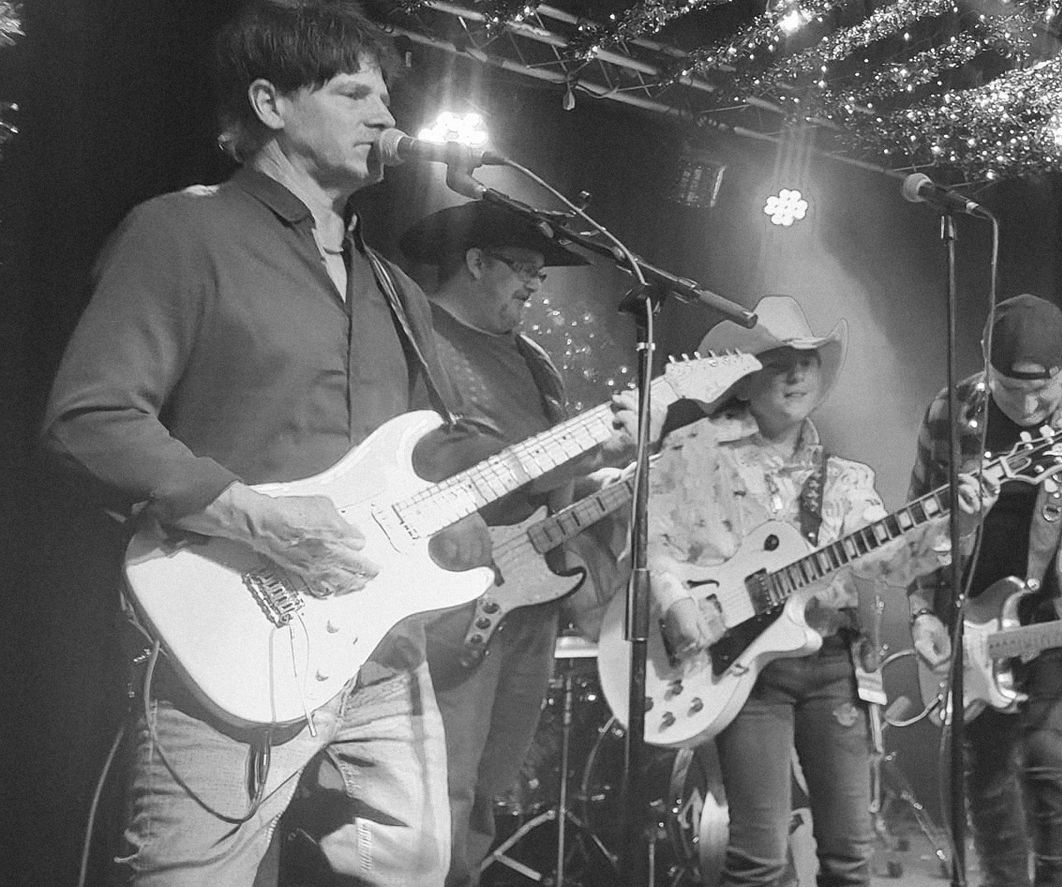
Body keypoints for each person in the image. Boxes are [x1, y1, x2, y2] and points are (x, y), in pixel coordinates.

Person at [38, 4, 638, 883]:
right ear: (270, 103)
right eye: (355, 91)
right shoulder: (183, 233)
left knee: (421, 858)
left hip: (381, 647)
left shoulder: (390, 284)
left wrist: (577, 450)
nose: (385, 117)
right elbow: (87, 420)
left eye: (387, 96)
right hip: (235, 636)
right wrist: (262, 521)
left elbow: (438, 451)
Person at [650, 295, 976, 887]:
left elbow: (892, 564)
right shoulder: (691, 450)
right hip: (738, 674)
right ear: (743, 381)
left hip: (833, 667)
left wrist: (957, 523)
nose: (797, 372)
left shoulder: (846, 478)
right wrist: (676, 603)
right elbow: (650, 542)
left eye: (806, 360)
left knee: (851, 853)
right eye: (777, 360)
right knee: (758, 859)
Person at [396, 200, 619, 886]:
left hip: (527, 600)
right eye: (524, 268)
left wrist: (586, 517)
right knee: (441, 785)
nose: (534, 284)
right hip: (446, 592)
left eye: (539, 273)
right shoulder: (412, 332)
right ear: (475, 261)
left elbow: (555, 480)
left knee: (487, 788)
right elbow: (403, 460)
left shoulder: (538, 362)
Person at [907, 294, 1062, 887]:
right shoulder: (949, 412)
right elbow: (918, 527)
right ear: (983, 362)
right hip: (969, 626)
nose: (1025, 405)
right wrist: (923, 611)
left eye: (1041, 391)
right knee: (987, 780)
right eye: (1008, 388)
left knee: (1051, 759)